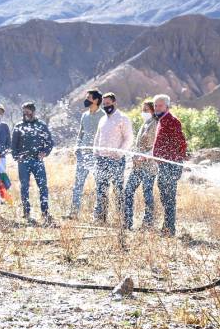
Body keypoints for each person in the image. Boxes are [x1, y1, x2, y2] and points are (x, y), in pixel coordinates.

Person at [93, 92, 133, 223]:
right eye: (104, 104)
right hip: (101, 160)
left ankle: (123, 220)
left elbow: (129, 138)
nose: (106, 106)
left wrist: (119, 153)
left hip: (116, 160)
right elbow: (97, 137)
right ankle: (100, 218)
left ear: (115, 103)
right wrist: (96, 152)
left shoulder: (123, 118)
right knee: (101, 189)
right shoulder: (102, 119)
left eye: (108, 103)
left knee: (118, 189)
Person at [11, 102, 54, 225]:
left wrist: (44, 152)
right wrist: (16, 157)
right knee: (24, 186)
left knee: (43, 186)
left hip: (37, 161)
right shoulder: (19, 126)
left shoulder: (41, 125)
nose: (25, 114)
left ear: (33, 112)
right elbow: (13, 145)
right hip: (23, 162)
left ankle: (45, 212)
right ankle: (26, 211)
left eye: (27, 112)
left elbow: (50, 142)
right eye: (23, 112)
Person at [66, 89, 105, 219]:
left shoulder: (103, 116)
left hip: (96, 156)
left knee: (99, 185)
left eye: (88, 98)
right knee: (78, 185)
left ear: (96, 100)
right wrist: (77, 147)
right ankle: (73, 213)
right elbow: (80, 133)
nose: (86, 100)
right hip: (83, 156)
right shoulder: (84, 115)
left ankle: (99, 215)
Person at [152, 94, 187, 236]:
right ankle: (167, 226)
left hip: (171, 165)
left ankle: (169, 229)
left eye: (159, 105)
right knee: (165, 197)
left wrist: (174, 158)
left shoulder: (172, 121)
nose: (156, 108)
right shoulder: (161, 120)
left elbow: (181, 142)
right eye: (155, 106)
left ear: (167, 106)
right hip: (163, 164)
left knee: (169, 197)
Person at [124, 101, 158, 230]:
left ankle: (148, 223)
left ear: (153, 111)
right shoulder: (144, 124)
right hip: (137, 166)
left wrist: (144, 156)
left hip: (149, 166)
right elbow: (138, 145)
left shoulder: (155, 124)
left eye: (146, 110)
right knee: (128, 190)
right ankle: (127, 222)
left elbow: (156, 147)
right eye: (142, 109)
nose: (143, 112)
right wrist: (134, 155)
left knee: (147, 193)